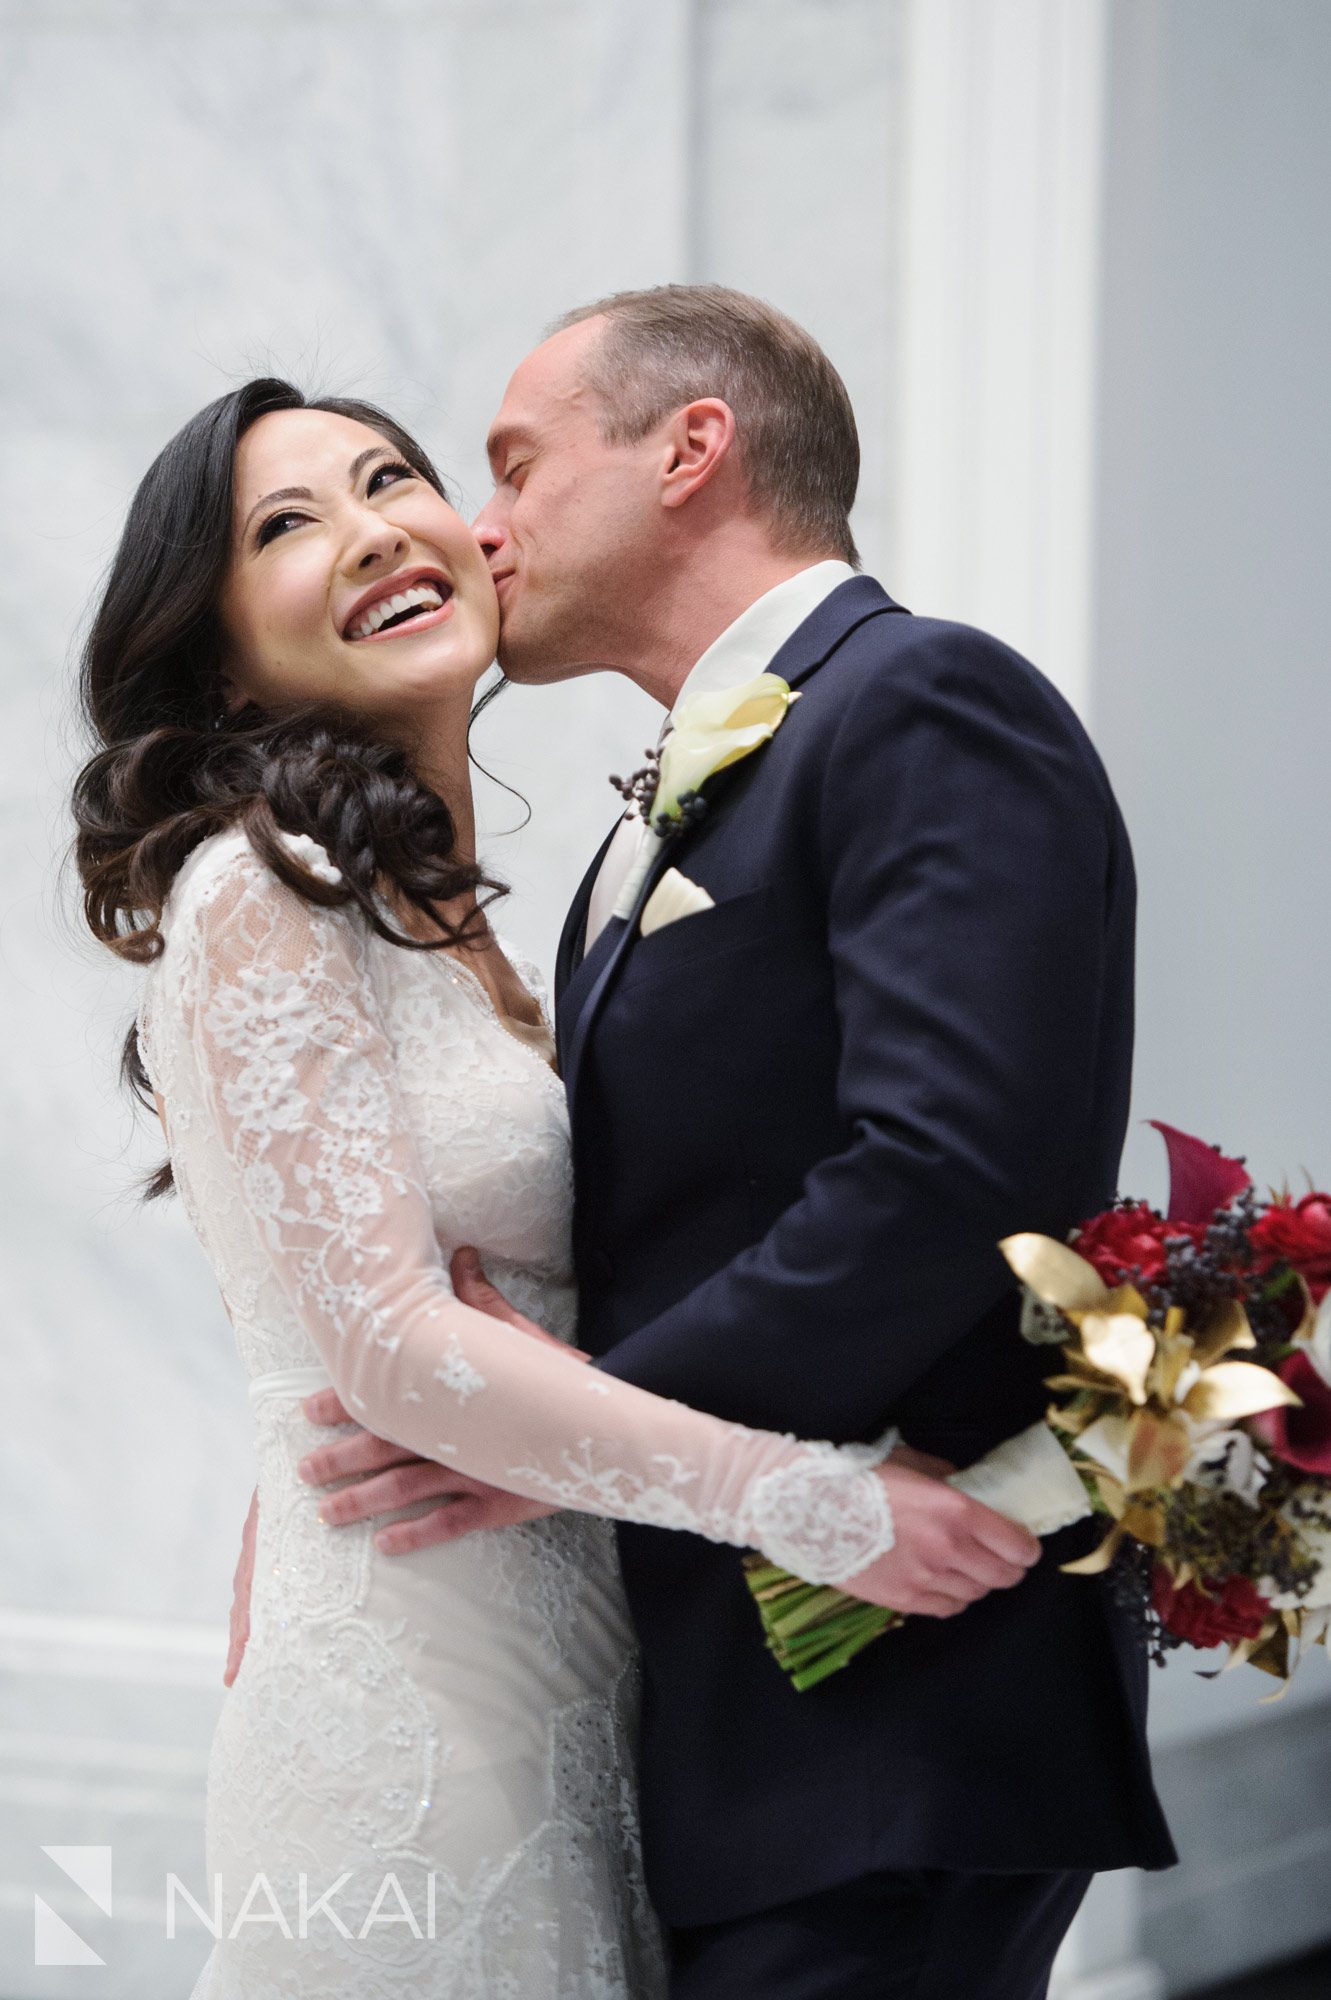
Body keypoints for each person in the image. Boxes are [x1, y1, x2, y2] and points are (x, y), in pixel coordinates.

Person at [72, 371, 1040, 1999]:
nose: (375, 528)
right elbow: (382, 1348)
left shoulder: (493, 935)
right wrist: (827, 1508)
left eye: (395, 477)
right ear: (221, 653)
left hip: (584, 1670)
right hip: (409, 1696)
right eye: (289, 526)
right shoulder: (260, 890)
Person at [282, 286, 1178, 1998]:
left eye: (516, 466)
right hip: (730, 1720)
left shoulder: (922, 700)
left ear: (693, 448)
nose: (479, 527)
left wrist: (556, 1427)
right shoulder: (682, 790)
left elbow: (945, 1179)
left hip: (895, 1710)